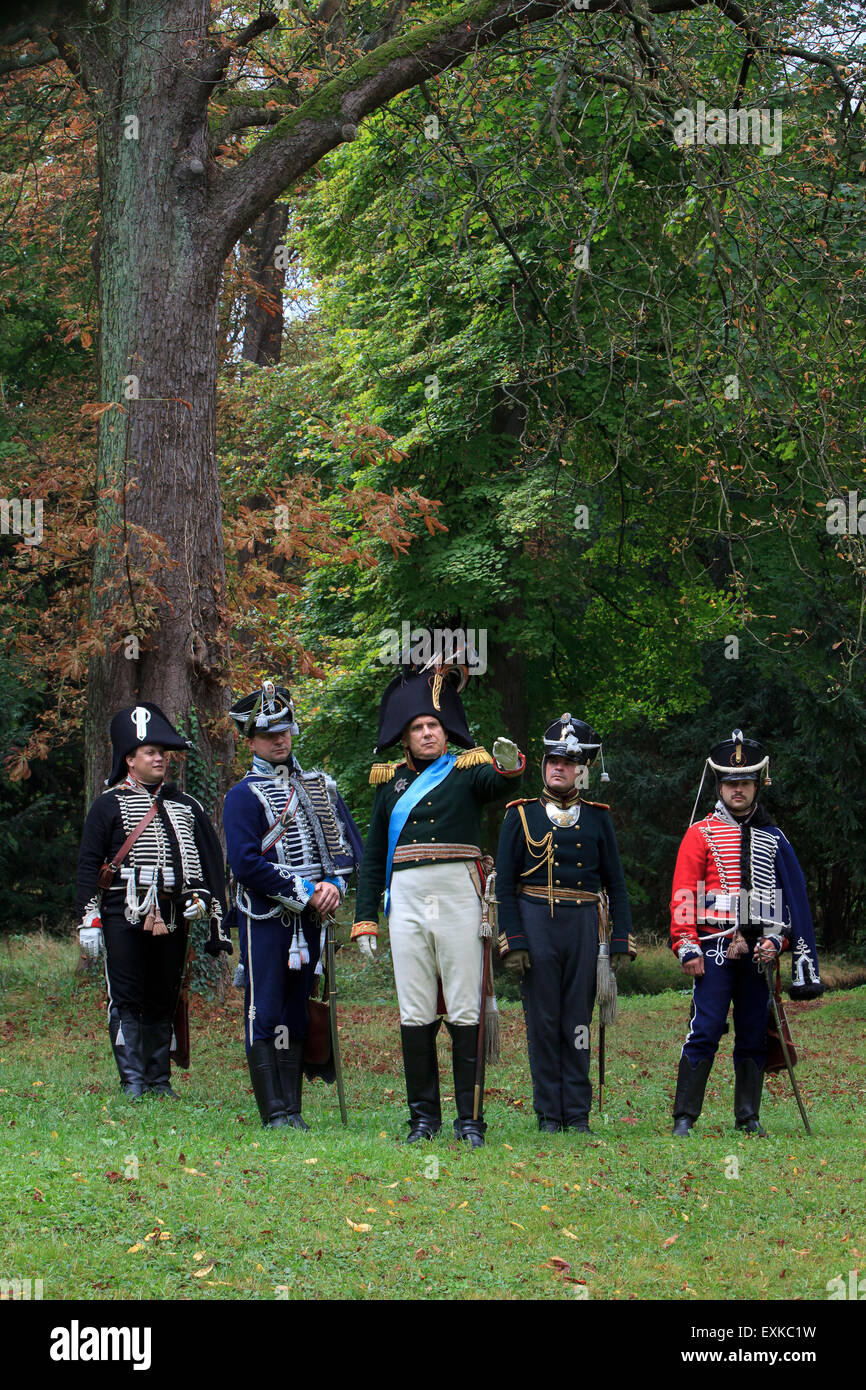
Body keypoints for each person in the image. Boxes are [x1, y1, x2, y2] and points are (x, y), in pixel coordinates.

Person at [351, 662, 524, 1146]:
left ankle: (469, 1120)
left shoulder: (469, 772)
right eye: (418, 728)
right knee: (415, 1010)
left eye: (434, 726)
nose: (428, 733)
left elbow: (503, 784)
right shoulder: (389, 784)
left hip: (457, 896)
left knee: (465, 1007)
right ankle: (422, 1119)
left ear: (446, 732)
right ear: (404, 738)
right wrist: (366, 918)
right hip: (406, 899)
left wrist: (509, 765)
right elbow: (372, 858)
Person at [670, 729, 823, 1137]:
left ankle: (748, 1117)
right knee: (704, 1029)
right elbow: (683, 894)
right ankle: (684, 1117)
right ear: (719, 786)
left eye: (746, 783)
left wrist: (778, 940)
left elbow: (788, 903)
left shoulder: (775, 839)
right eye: (731, 783)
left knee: (754, 1032)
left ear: (757, 786)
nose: (738, 790)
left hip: (760, 955)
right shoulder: (699, 834)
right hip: (714, 950)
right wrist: (686, 946)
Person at [223, 681, 362, 1130]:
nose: (279, 739)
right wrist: (306, 891)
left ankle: (294, 1109)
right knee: (263, 1007)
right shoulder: (242, 796)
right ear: (252, 740)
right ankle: (273, 1112)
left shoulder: (321, 787)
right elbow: (245, 864)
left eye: (284, 730)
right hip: (265, 918)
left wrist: (334, 886)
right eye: (268, 734)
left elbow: (348, 849)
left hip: (313, 921)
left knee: (296, 1007)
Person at [76, 704, 230, 1101]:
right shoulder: (107, 805)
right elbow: (88, 866)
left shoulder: (187, 806)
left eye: (162, 751)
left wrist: (206, 904)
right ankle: (133, 1081)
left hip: (174, 914)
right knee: (127, 994)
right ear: (130, 760)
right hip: (121, 911)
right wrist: (87, 918)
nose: (160, 757)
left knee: (164, 992)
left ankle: (159, 1081)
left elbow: (209, 865)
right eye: (149, 751)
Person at [496, 713, 635, 1133]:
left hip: (584, 930)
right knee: (543, 1022)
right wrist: (514, 940)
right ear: (543, 764)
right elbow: (504, 886)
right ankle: (548, 1115)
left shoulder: (598, 817)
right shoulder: (519, 816)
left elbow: (616, 884)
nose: (559, 767)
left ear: (582, 769)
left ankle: (577, 1113)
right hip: (536, 923)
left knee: (578, 1021)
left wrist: (622, 939)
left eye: (569, 762)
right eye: (553, 759)